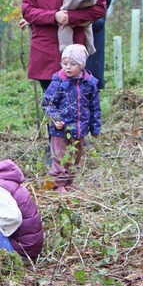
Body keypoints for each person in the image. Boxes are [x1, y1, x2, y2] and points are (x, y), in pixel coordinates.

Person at [42, 44, 101, 193]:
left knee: (76, 156)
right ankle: (58, 184)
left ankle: (69, 181)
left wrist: (95, 127)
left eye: (73, 64)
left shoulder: (90, 83)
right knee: (60, 156)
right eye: (64, 63)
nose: (68, 67)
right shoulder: (58, 82)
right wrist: (55, 119)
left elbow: (95, 106)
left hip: (80, 129)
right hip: (60, 129)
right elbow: (48, 104)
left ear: (81, 65)